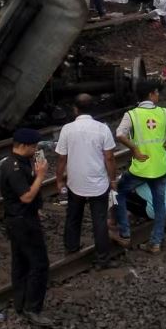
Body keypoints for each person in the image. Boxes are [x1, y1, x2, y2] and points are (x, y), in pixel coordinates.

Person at [113, 84, 166, 253]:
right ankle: (155, 242)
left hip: (140, 168)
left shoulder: (132, 115)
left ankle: (125, 234)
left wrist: (134, 148)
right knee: (159, 205)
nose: (158, 95)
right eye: (157, 92)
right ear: (150, 94)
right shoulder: (165, 112)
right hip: (160, 168)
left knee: (119, 192)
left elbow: (119, 134)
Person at [54, 93, 118, 267]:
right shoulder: (102, 129)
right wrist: (112, 180)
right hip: (98, 183)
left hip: (75, 182)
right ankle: (102, 259)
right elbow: (109, 158)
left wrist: (59, 180)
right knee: (99, 220)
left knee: (73, 216)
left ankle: (71, 247)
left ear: (75, 109)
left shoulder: (67, 129)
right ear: (93, 108)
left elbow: (61, 158)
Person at [0, 128, 52, 327]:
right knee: (39, 264)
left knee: (20, 263)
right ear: (24, 146)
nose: (36, 150)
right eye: (34, 147)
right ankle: (33, 308)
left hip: (18, 219)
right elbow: (26, 196)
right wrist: (40, 176)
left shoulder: (16, 162)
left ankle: (20, 303)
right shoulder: (14, 168)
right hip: (23, 221)